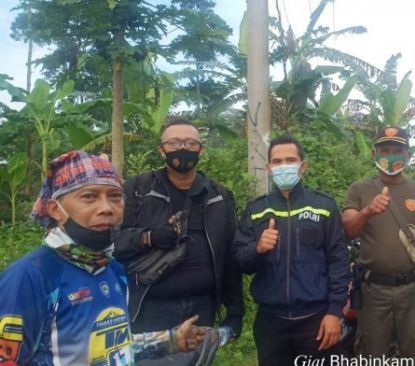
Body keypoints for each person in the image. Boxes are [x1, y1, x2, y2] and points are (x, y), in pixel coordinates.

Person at [0, 150, 206, 366]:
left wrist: (171, 340)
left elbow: (114, 347)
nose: (107, 208)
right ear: (55, 209)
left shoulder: (112, 268)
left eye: (115, 196)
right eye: (89, 196)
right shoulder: (32, 276)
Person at [113, 116, 243, 339]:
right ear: (162, 151)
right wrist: (148, 237)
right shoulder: (138, 189)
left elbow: (229, 256)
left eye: (190, 143)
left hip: (203, 307)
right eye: (174, 143)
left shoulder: (219, 196)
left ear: (200, 150)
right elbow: (111, 241)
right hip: (150, 307)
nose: (182, 148)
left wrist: (235, 311)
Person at [233, 135, 351, 366]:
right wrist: (258, 249)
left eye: (290, 160)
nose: (283, 166)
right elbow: (240, 262)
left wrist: (334, 313)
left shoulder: (324, 206)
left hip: (316, 321)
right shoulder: (257, 210)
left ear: (302, 166)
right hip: (270, 323)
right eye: (277, 162)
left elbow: (338, 261)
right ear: (268, 168)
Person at [342, 126, 415, 357]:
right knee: (370, 354)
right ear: (374, 154)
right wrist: (367, 211)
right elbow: (347, 231)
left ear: (407, 155)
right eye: (385, 149)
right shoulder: (359, 189)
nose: (391, 155)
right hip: (373, 291)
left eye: (397, 150)